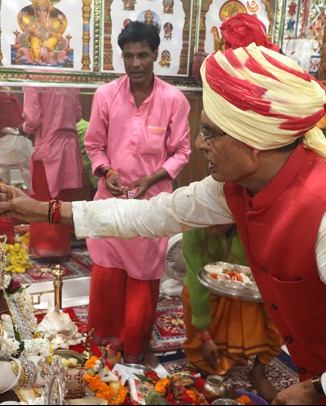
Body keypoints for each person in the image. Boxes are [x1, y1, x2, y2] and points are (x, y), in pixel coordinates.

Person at [0, 13, 326, 405]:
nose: (202, 146)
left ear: (256, 144)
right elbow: (148, 215)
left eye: (211, 133)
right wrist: (45, 210)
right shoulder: (236, 185)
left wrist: (321, 390)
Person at [82, 21, 191, 365]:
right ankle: (104, 348)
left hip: (151, 206)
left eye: (143, 55)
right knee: (107, 275)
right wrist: (108, 171)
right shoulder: (106, 95)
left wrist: (151, 178)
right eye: (128, 56)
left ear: (156, 55)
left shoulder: (174, 100)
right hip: (111, 202)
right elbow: (94, 145)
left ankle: (133, 349)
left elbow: (182, 152)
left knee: (143, 280)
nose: (136, 63)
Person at [182, 224, 281, 402]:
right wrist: (204, 334)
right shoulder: (193, 226)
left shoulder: (253, 224)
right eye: (205, 220)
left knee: (277, 316)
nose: (210, 227)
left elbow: (270, 270)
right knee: (190, 294)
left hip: (252, 286)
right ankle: (205, 369)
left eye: (216, 219)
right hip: (205, 286)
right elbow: (196, 280)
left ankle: (259, 371)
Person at [21, 86, 83, 260]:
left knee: (45, 201)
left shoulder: (34, 78)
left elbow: (32, 119)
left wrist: (25, 127)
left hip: (48, 148)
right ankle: (60, 247)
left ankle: (45, 247)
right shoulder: (69, 77)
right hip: (69, 147)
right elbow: (78, 114)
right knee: (62, 200)